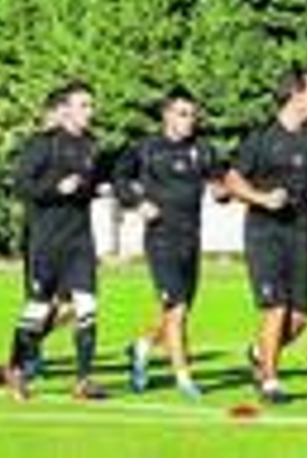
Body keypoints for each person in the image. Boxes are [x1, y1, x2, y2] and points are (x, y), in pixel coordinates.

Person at [224, 67, 307, 405]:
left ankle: (259, 353)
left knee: (300, 319)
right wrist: (262, 198)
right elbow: (232, 180)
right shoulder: (261, 138)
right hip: (264, 233)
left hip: (299, 233)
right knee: (276, 307)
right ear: (295, 95)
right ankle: (269, 381)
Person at [116, 87, 227, 400]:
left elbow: (220, 181)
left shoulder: (203, 149)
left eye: (192, 115)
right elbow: (120, 179)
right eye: (182, 114)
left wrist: (222, 192)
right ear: (166, 115)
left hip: (191, 239)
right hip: (161, 238)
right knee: (176, 310)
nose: (189, 120)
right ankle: (184, 378)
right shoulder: (145, 148)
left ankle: (141, 348)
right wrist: (138, 202)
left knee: (177, 312)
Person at [3, 81, 107, 402]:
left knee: (87, 305)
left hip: (80, 240)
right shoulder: (43, 144)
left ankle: (83, 380)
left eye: (91, 105)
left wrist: (98, 188)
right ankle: (16, 368)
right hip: (46, 239)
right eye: (83, 105)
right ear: (65, 110)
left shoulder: (92, 145)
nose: (89, 112)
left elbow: (88, 185)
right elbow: (21, 185)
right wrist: (55, 188)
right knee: (38, 308)